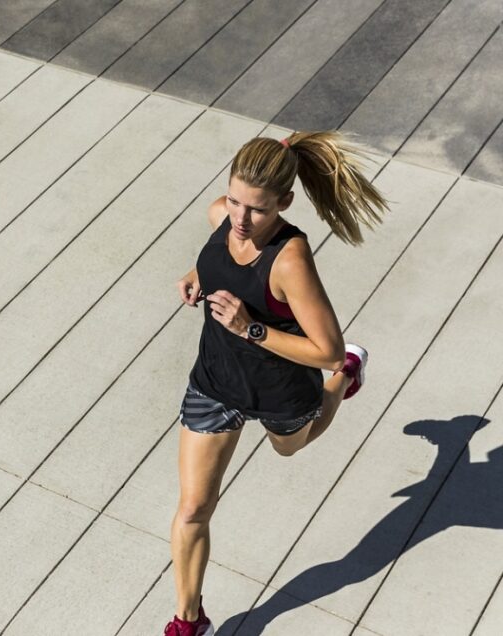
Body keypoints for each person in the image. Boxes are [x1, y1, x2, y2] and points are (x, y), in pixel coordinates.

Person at [165, 132, 389, 636]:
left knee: (291, 446)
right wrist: (196, 272)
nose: (241, 221)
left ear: (284, 203)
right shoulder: (223, 215)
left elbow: (325, 347)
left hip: (281, 385)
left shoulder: (290, 259)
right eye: (237, 202)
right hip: (216, 380)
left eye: (257, 211)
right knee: (194, 507)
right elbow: (218, 247)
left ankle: (344, 381)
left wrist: (251, 328)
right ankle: (187, 622)